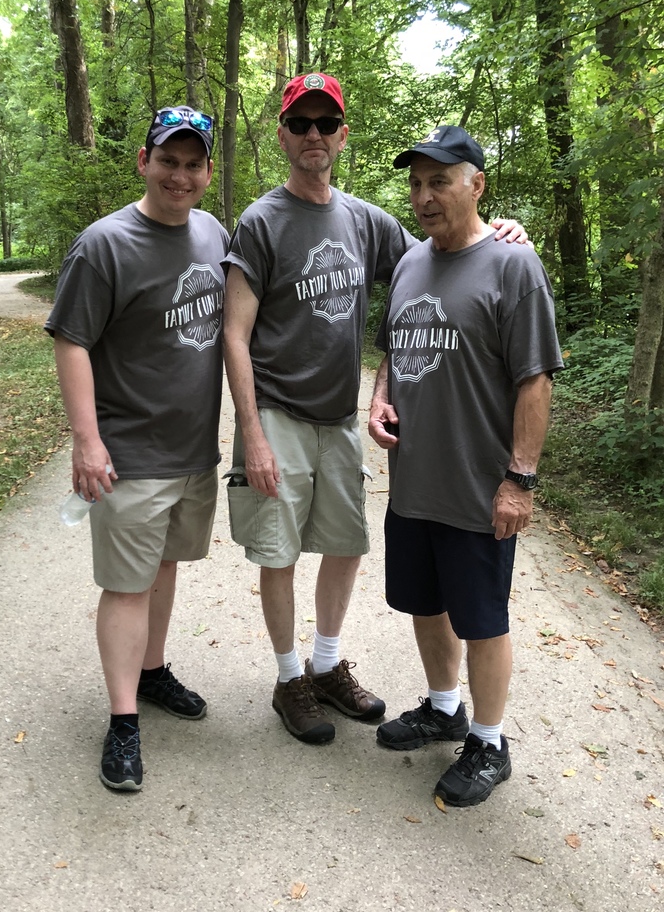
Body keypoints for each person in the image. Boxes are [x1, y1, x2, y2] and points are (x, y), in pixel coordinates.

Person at [222, 74, 528, 745]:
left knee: (343, 545)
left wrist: (504, 230)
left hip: (337, 419)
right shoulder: (260, 221)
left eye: (323, 124)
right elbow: (234, 334)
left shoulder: (367, 221)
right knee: (279, 553)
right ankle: (288, 678)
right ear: (282, 135)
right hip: (274, 412)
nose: (311, 136)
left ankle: (328, 666)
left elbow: (438, 266)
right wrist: (252, 435)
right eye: (298, 124)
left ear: (341, 135)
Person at [368, 124, 563, 806]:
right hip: (414, 482)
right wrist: (380, 398)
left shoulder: (513, 264)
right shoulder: (410, 264)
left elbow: (535, 379)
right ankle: (444, 706)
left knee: (482, 618)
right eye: (417, 182)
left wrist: (520, 479)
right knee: (425, 604)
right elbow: (394, 346)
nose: (425, 196)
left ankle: (489, 739)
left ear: (475, 185)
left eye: (440, 181)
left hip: (482, 489)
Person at [45, 106, 230, 791]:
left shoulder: (213, 233)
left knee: (165, 568)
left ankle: (152, 674)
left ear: (208, 171)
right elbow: (72, 341)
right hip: (129, 453)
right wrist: (87, 441)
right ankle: (123, 722)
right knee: (126, 586)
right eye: (168, 160)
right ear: (143, 161)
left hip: (192, 453)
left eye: (193, 163)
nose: (179, 175)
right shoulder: (105, 244)